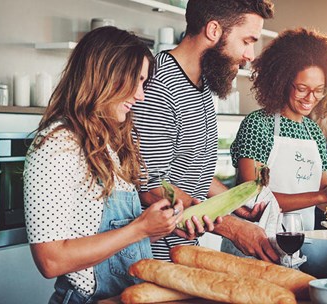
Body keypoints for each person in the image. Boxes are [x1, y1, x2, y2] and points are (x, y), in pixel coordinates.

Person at [23, 27, 201, 303]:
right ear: (106, 76)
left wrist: (160, 225)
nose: (140, 95)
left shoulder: (109, 143)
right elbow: (51, 260)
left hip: (126, 295)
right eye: (135, 81)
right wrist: (139, 228)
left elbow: (112, 244)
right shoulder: (56, 145)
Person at [132, 0, 279, 262]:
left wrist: (233, 204)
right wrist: (233, 228)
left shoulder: (200, 87)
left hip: (181, 255)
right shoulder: (158, 86)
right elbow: (150, 186)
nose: (251, 55)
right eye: (247, 41)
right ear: (213, 31)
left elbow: (190, 168)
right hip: (149, 260)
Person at [229, 28, 327, 238]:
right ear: (282, 82)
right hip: (253, 244)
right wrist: (322, 194)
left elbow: (324, 204)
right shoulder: (258, 125)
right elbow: (251, 199)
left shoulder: (313, 132)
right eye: (302, 88)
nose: (310, 98)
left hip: (300, 243)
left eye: (319, 89)